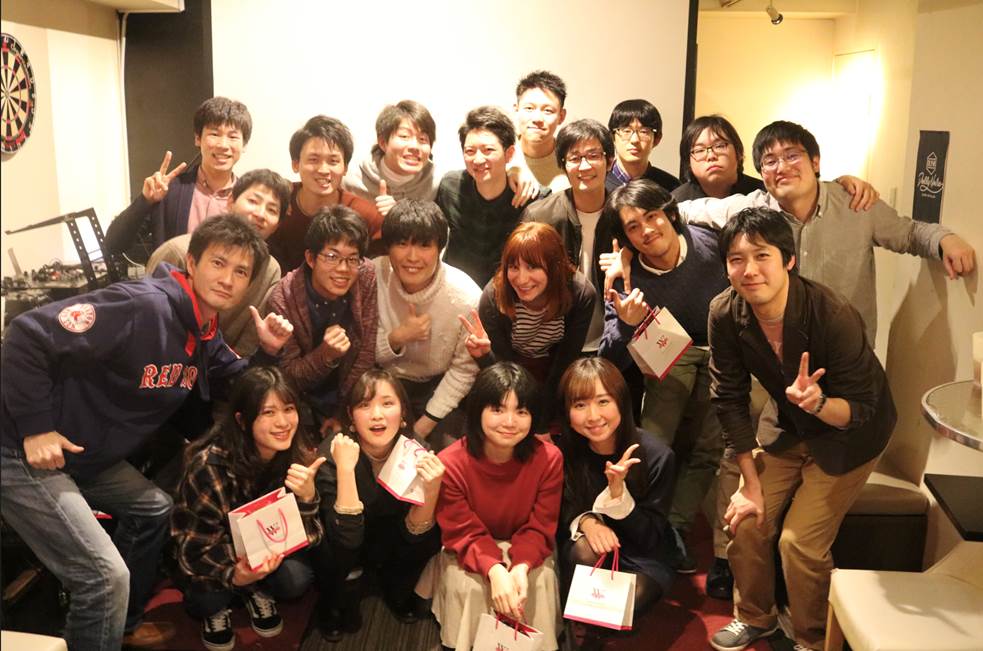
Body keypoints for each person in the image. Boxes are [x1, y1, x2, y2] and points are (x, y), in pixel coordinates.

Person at [0, 214, 294, 650]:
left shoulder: (204, 329)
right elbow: (26, 335)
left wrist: (266, 352)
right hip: (22, 451)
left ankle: (122, 623)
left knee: (154, 508)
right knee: (104, 576)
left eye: (240, 272)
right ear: (191, 263)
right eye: (218, 263)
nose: (228, 279)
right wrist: (36, 428)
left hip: (83, 454)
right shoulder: (142, 305)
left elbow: (238, 380)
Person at [707, 207, 896, 651]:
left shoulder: (832, 313)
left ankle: (813, 639)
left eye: (762, 256)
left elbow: (862, 408)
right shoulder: (725, 312)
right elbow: (728, 399)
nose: (750, 270)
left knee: (799, 542)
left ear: (788, 259)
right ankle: (755, 616)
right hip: (789, 427)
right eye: (736, 259)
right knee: (746, 521)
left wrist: (819, 403)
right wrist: (750, 485)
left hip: (850, 433)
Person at [599, 179, 728, 576]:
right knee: (653, 443)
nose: (646, 230)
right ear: (625, 238)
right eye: (633, 226)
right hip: (669, 350)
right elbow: (609, 355)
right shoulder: (624, 276)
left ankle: (674, 529)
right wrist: (627, 323)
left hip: (722, 348)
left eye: (652, 216)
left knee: (709, 447)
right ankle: (636, 524)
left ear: (671, 214)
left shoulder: (710, 244)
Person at [172, 366, 324, 651]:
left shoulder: (296, 455)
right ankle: (236, 595)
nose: (283, 422)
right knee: (206, 600)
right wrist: (236, 573)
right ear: (242, 420)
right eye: (268, 412)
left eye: (289, 409)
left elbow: (311, 537)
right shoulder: (209, 468)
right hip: (219, 555)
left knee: (297, 579)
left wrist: (307, 498)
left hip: (268, 548)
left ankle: (254, 590)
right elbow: (192, 551)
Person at [433, 362, 563, 651]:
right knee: (471, 584)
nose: (510, 422)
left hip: (527, 545)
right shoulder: (451, 463)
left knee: (538, 579)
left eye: (522, 411)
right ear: (477, 410)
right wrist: (495, 569)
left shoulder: (549, 459)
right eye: (497, 409)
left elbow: (541, 525)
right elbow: (462, 531)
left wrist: (520, 566)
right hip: (469, 547)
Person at [313, 369, 444, 640]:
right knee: (330, 548)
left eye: (387, 403)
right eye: (364, 405)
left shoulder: (416, 450)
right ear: (351, 416)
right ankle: (336, 599)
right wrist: (345, 470)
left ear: (403, 412)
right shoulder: (333, 453)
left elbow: (414, 534)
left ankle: (394, 586)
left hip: (388, 540)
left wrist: (431, 490)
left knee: (431, 537)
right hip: (345, 544)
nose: (377, 415)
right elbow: (345, 538)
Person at [557, 357, 676, 647]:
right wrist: (587, 521)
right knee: (584, 552)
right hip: (591, 550)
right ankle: (588, 627)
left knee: (626, 607)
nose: (593, 416)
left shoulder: (657, 455)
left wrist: (619, 497)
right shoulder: (563, 453)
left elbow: (650, 537)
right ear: (567, 412)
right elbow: (559, 511)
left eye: (603, 401)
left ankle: (594, 622)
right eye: (580, 405)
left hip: (643, 553)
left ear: (621, 402)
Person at [462, 222, 595, 430]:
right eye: (514, 267)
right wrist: (483, 356)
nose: (522, 279)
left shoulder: (580, 294)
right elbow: (503, 370)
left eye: (532, 267)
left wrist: (542, 425)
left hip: (555, 373)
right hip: (510, 371)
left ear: (554, 266)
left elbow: (565, 363)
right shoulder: (494, 296)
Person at [147, 168, 292, 355]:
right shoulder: (178, 251)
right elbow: (147, 323)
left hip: (222, 366)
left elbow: (246, 348)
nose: (260, 214)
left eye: (272, 210)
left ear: (278, 224)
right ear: (230, 202)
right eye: (253, 201)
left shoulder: (270, 270)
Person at [374, 199, 480, 444]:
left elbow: (464, 369)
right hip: (382, 379)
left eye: (424, 245)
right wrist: (398, 337)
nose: (412, 257)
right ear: (388, 247)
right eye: (402, 244)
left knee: (448, 451)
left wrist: (423, 426)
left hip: (438, 386)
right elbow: (361, 350)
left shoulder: (465, 296)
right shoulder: (373, 275)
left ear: (440, 248)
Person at [267, 205, 377, 431]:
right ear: (310, 258)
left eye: (352, 258)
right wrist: (326, 354)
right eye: (332, 257)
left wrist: (344, 413)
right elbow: (289, 376)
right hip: (298, 400)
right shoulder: (283, 297)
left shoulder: (365, 274)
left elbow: (365, 352)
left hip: (349, 395)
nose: (343, 268)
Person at [106, 97, 252, 258]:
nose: (223, 145)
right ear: (198, 138)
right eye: (214, 134)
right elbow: (114, 244)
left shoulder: (248, 203)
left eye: (233, 137)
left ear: (244, 145)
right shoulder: (169, 191)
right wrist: (145, 201)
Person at [521, 118, 619, 351]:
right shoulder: (540, 216)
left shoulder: (625, 212)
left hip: (614, 339)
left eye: (593, 155)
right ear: (563, 165)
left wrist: (628, 260)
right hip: (556, 342)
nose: (584, 166)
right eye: (574, 158)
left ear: (609, 162)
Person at [438, 106, 550, 287]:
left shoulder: (533, 200)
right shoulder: (450, 187)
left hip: (509, 293)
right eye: (470, 151)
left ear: (509, 154)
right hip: (457, 291)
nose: (478, 159)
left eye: (488, 150)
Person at [267, 115, 383, 273]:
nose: (323, 170)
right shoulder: (277, 203)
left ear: (345, 167)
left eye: (333, 161)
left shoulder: (364, 214)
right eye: (313, 160)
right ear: (295, 164)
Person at [344, 100, 439, 213]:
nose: (415, 146)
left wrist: (397, 214)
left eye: (422, 139)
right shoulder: (352, 181)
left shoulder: (435, 183)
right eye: (404, 136)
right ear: (383, 143)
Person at [672, 114, 764, 201]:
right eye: (699, 150)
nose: (711, 156)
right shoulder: (676, 203)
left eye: (719, 146)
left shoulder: (763, 195)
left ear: (738, 152)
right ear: (688, 163)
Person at [510, 70, 570, 191]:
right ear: (516, 110)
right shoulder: (499, 156)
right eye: (529, 108)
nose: (537, 118)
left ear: (561, 116)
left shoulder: (571, 161)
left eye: (548, 110)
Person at [605, 99, 680, 193]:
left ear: (657, 139)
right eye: (626, 131)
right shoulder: (598, 183)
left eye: (643, 132)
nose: (634, 140)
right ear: (612, 137)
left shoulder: (671, 187)